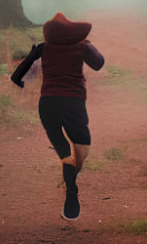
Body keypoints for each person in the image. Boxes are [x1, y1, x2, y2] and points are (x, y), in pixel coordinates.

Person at [10, 12, 105, 221]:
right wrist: (87, 45)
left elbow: (16, 76)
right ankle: (72, 178)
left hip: (48, 105)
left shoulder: (44, 48)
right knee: (82, 148)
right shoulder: (81, 46)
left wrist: (21, 82)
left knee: (64, 152)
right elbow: (99, 63)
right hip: (73, 104)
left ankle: (71, 192)